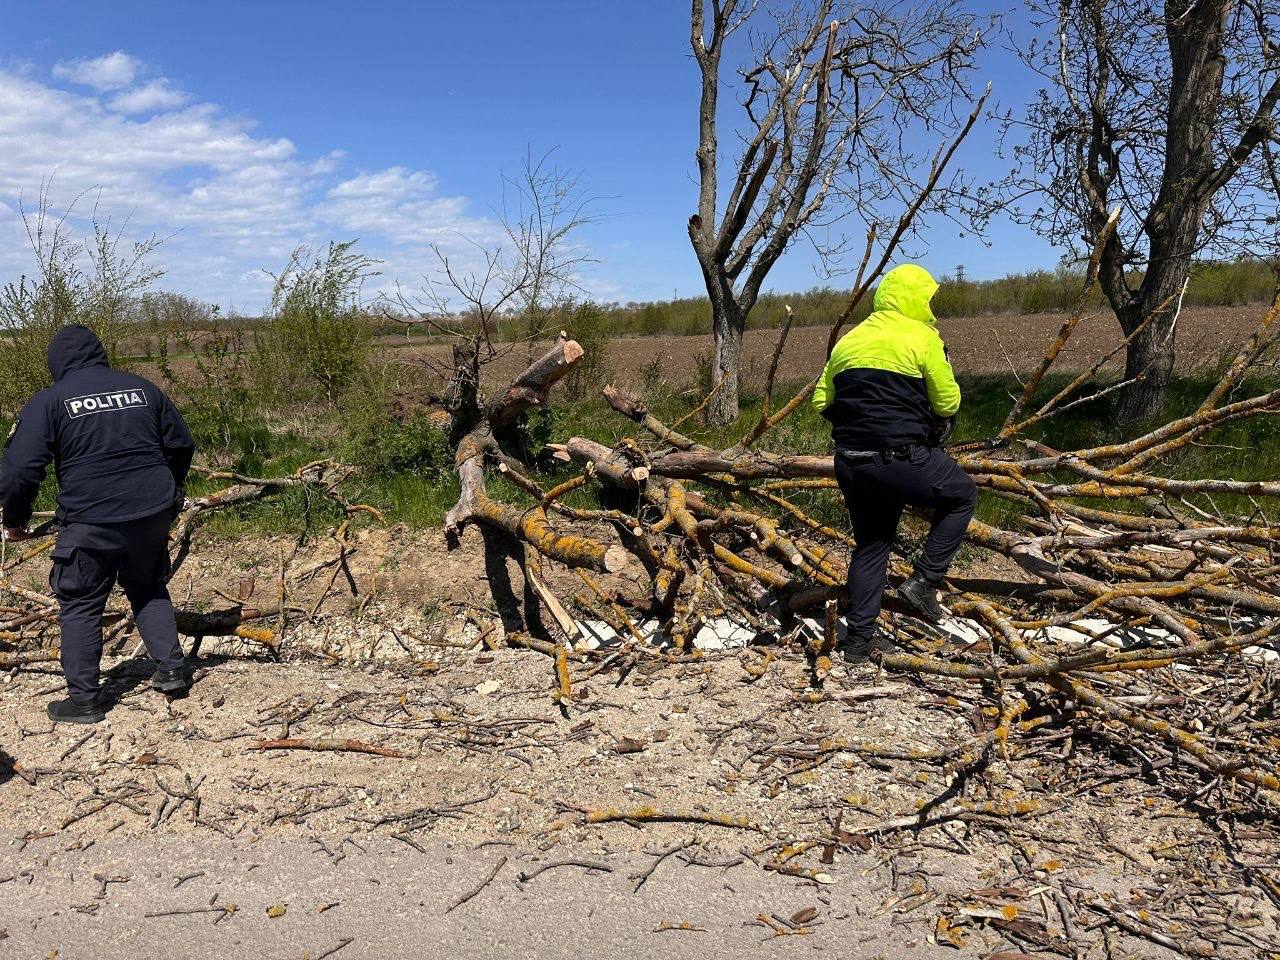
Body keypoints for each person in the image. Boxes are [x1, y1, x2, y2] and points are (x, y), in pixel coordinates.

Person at [0, 325, 196, 723]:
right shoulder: (142, 388)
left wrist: (14, 520)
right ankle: (172, 669)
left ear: (56, 362)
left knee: (81, 602)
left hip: (91, 519)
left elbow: (20, 470)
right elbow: (181, 444)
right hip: (150, 513)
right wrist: (169, 495)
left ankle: (84, 700)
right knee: (147, 585)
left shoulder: (51, 400)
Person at [813, 264, 977, 663]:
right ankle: (925, 580)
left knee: (872, 545)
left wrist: (860, 427)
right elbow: (948, 403)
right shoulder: (923, 337)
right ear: (916, 298)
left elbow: (822, 401)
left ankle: (858, 643)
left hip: (851, 463)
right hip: (903, 459)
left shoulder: (851, 340)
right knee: (962, 495)